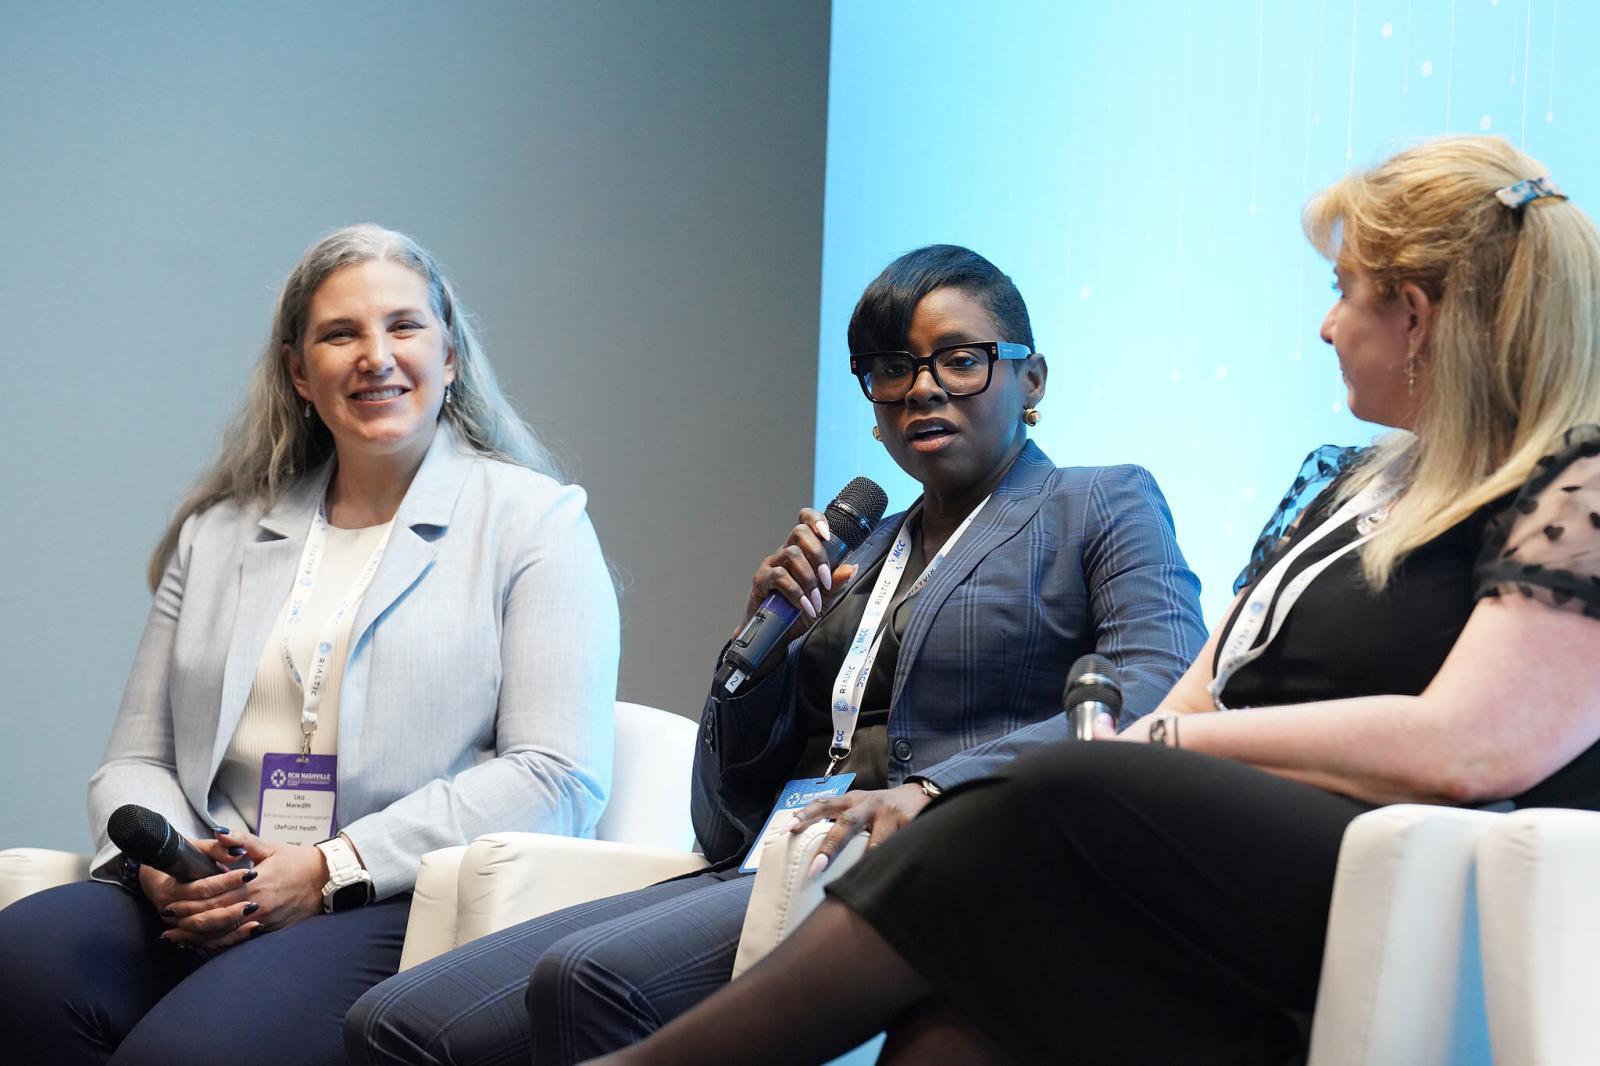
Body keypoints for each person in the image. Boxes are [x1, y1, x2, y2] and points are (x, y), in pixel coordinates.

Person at [586, 136, 1600, 1066]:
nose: (1326, 323)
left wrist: (1161, 747)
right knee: (965, 1013)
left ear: (1414, 315)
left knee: (1051, 791)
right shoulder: (1344, 484)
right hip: (1231, 859)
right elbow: (1202, 685)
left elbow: (1475, 746)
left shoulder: (1576, 482)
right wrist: (1162, 739)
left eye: (1345, 292)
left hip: (1405, 881)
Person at [345, 244, 1208, 1064]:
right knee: (398, 1023)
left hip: (935, 865)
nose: (922, 389)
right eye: (892, 369)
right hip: (775, 857)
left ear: (1031, 378)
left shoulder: (1096, 504)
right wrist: (760, 649)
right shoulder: (861, 549)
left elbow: (1157, 688)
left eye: (959, 360)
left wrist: (939, 790)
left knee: (587, 982)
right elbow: (726, 816)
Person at [0, 224, 619, 1065]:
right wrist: (167, 865)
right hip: (208, 886)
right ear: (298, 372)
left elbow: (556, 774)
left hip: (390, 897)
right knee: (19, 966)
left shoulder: (536, 522)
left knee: (192, 1052)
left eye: (403, 326)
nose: (376, 356)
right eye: (340, 334)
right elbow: (136, 760)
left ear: (449, 356)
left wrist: (330, 866)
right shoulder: (218, 533)